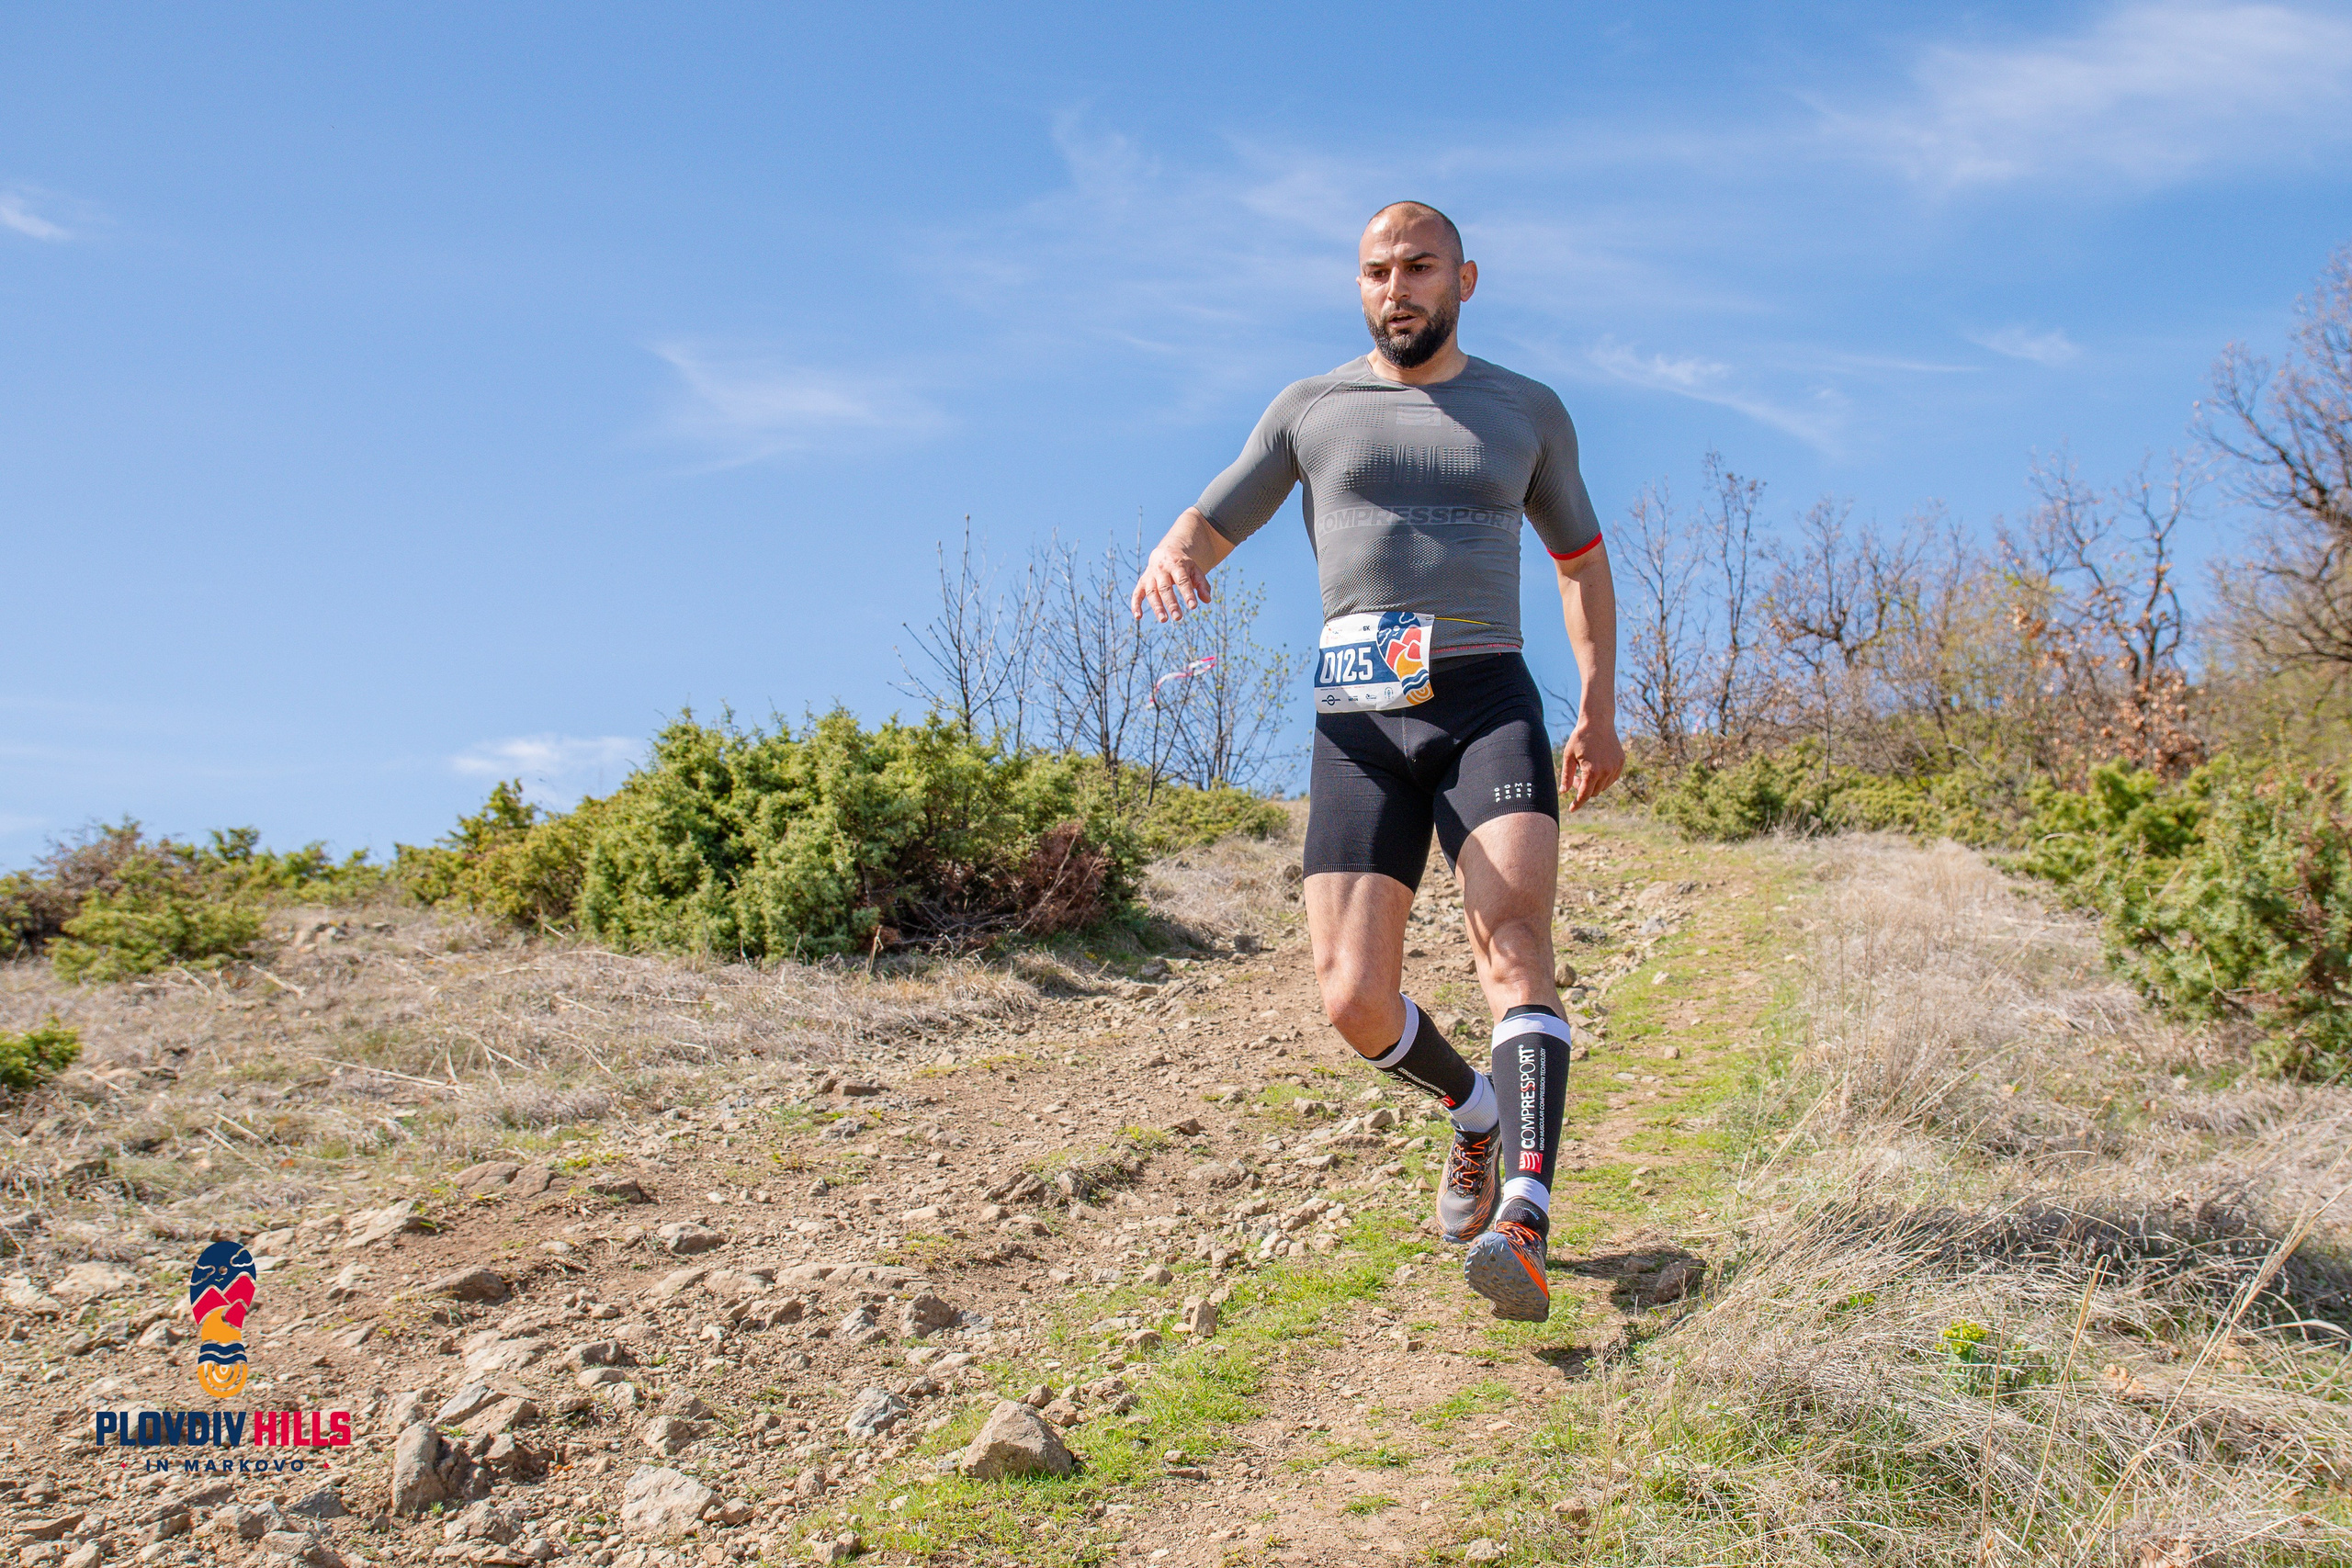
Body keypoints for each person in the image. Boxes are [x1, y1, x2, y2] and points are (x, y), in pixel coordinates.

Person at [1129, 201, 1623, 1322]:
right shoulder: (1311, 409)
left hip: (1485, 698)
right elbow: (1212, 517)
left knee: (1513, 951)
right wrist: (1173, 554)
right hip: (1357, 716)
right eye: (1374, 271)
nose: (1396, 288)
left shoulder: (1524, 410)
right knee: (1353, 998)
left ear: (1465, 279)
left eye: (1418, 268)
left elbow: (1580, 562)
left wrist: (1596, 709)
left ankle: (1526, 1215)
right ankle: (1472, 1115)